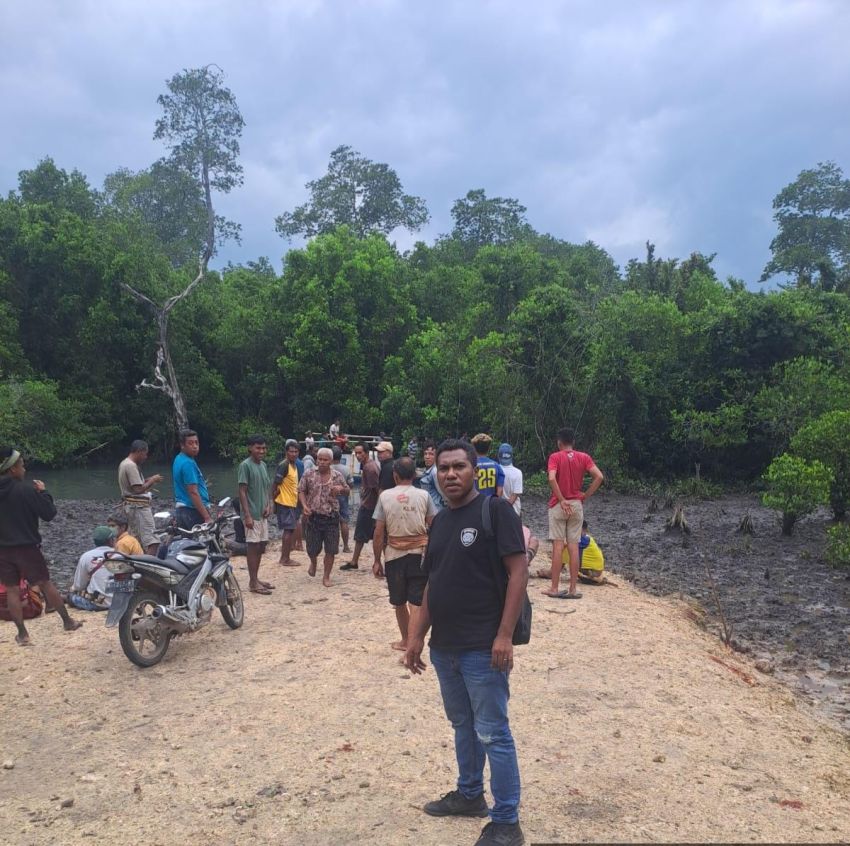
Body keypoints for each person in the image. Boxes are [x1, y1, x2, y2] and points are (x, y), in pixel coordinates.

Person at [404, 439, 527, 846]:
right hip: (445, 649)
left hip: (483, 647)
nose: (451, 474)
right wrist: (416, 636)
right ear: (435, 473)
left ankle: (506, 820)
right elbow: (433, 583)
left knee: (493, 731)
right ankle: (470, 793)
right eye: (443, 468)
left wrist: (504, 635)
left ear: (475, 469)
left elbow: (518, 573)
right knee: (463, 725)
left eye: (459, 467)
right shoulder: (438, 522)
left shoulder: (495, 512)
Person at [0, 447, 82, 644]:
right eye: (21, 466)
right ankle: (67, 621)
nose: (24, 469)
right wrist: (44, 493)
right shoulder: (26, 490)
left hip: (3, 549)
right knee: (45, 582)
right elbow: (49, 514)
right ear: (12, 469)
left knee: (12, 589)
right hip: (27, 546)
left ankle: (22, 634)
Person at [372, 457, 437, 652]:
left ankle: (406, 640)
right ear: (415, 475)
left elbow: (378, 532)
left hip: (394, 555)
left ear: (395, 475)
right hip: (420, 553)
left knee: (398, 601)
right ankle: (414, 641)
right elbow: (434, 524)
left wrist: (376, 560)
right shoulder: (424, 496)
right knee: (416, 602)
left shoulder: (384, 496)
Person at [544, 428, 603, 600]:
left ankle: (554, 588)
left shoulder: (555, 457)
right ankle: (572, 589)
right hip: (577, 505)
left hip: (559, 505)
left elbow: (551, 478)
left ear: (559, 442)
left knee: (557, 545)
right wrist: (585, 495)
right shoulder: (584, 457)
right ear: (573, 442)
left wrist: (561, 499)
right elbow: (599, 477)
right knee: (573, 546)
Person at [298, 447, 350, 587]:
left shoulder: (337, 476)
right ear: (316, 459)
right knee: (312, 548)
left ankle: (326, 576)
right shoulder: (308, 474)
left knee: (331, 549)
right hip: (314, 517)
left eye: (325, 460)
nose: (322, 462)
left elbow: (347, 490)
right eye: (320, 459)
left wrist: (341, 489)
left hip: (331, 517)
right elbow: (301, 490)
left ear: (331, 461)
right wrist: (304, 505)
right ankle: (313, 562)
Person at [237, 434, 274, 595]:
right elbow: (242, 492)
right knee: (252, 547)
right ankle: (252, 582)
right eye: (258, 448)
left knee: (261, 546)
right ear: (250, 448)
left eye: (264, 448)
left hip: (262, 513)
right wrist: (247, 515)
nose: (261, 451)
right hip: (251, 513)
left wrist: (269, 504)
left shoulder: (263, 465)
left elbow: (266, 488)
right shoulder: (245, 466)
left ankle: (256, 578)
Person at [118, 439, 164, 554]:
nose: (145, 457)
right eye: (145, 453)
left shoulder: (124, 463)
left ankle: (138, 564)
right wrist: (152, 480)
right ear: (139, 451)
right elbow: (138, 489)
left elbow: (135, 484)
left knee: (136, 539)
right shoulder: (131, 466)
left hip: (131, 506)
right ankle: (150, 566)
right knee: (152, 541)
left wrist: (148, 480)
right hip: (138, 508)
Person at [340, 442, 379, 571]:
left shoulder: (369, 468)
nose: (357, 455)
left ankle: (360, 561)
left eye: (360, 453)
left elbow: (376, 489)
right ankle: (355, 561)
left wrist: (378, 509)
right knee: (363, 536)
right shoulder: (368, 466)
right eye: (356, 453)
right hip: (368, 504)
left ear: (366, 453)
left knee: (362, 535)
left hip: (369, 506)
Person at [272, 439, 304, 567]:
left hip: (292, 502)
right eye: (291, 451)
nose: (294, 454)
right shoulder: (284, 465)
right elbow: (274, 485)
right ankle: (285, 559)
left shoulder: (294, 465)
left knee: (290, 529)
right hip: (285, 503)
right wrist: (273, 503)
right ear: (286, 452)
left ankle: (286, 556)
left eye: (296, 452)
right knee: (288, 530)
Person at [172, 429, 212, 530]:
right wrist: (206, 516)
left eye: (196, 442)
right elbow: (193, 492)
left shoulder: (178, 459)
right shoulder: (188, 464)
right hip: (192, 511)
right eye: (190, 443)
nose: (195, 446)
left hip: (182, 510)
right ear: (182, 445)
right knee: (204, 544)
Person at [69, 525, 116, 610]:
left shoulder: (86, 556)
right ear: (110, 541)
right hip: (120, 602)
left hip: (98, 604)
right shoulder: (121, 555)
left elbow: (79, 585)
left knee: (70, 596)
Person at [331, 446, 352, 553]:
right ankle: (346, 547)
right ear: (341, 456)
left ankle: (333, 546)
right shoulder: (346, 469)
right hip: (343, 497)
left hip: (330, 498)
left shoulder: (327, 468)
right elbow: (351, 484)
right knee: (344, 521)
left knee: (332, 523)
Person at [471, 433, 504, 498]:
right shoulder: (497, 466)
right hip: (491, 503)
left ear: (474, 448)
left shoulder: (473, 466)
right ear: (488, 448)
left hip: (476, 504)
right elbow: (500, 491)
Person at [418, 441, 447, 512]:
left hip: (436, 510)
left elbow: (444, 494)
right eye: (425, 454)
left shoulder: (435, 471)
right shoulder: (428, 470)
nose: (427, 457)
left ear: (437, 456)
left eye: (431, 454)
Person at [498, 443, 523, 517]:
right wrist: (507, 508)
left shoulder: (495, 470)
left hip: (498, 510)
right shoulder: (518, 472)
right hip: (514, 510)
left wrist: (502, 509)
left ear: (499, 456)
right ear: (511, 456)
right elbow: (515, 494)